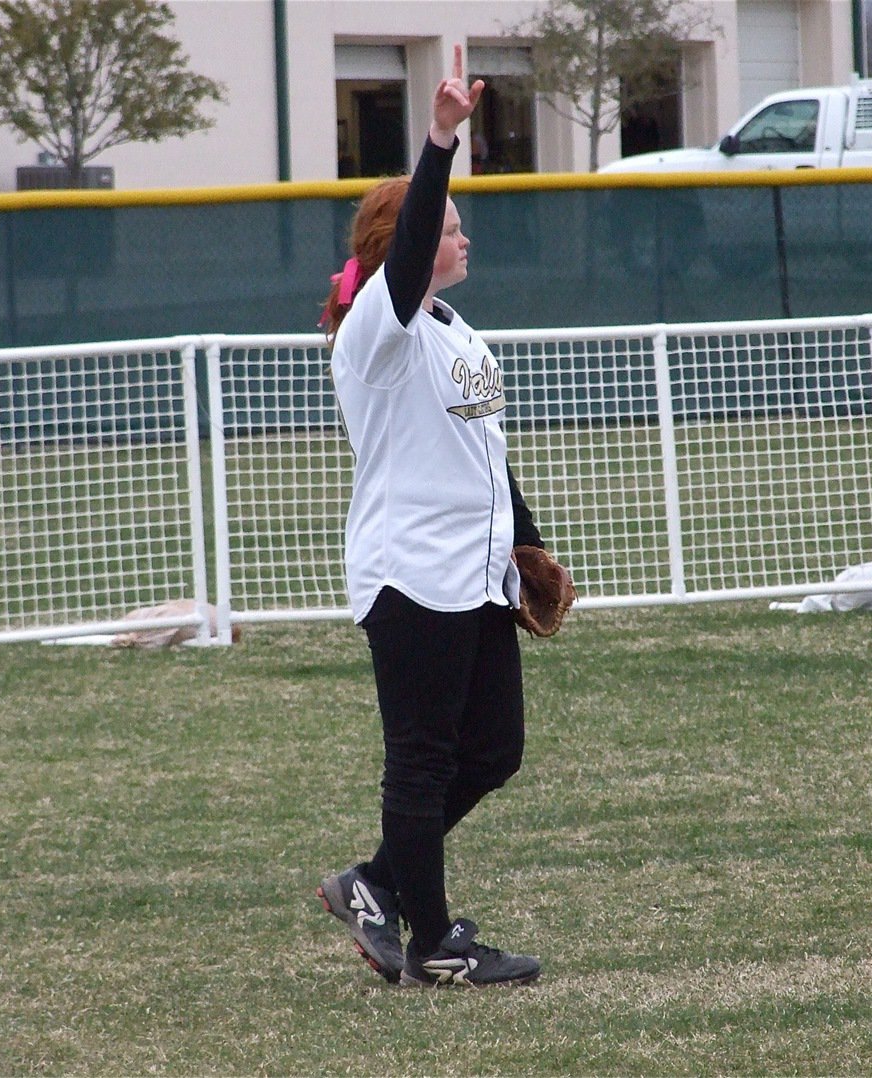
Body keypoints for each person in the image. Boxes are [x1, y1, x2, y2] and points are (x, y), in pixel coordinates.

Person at [316, 47, 549, 989]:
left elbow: (480, 449)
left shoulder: (454, 330)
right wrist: (441, 139)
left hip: (476, 569)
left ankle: (375, 882)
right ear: (399, 245)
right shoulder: (381, 323)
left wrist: (526, 542)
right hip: (410, 571)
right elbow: (410, 250)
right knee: (418, 764)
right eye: (447, 226)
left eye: (458, 224)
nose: (461, 238)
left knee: (494, 750)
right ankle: (433, 941)